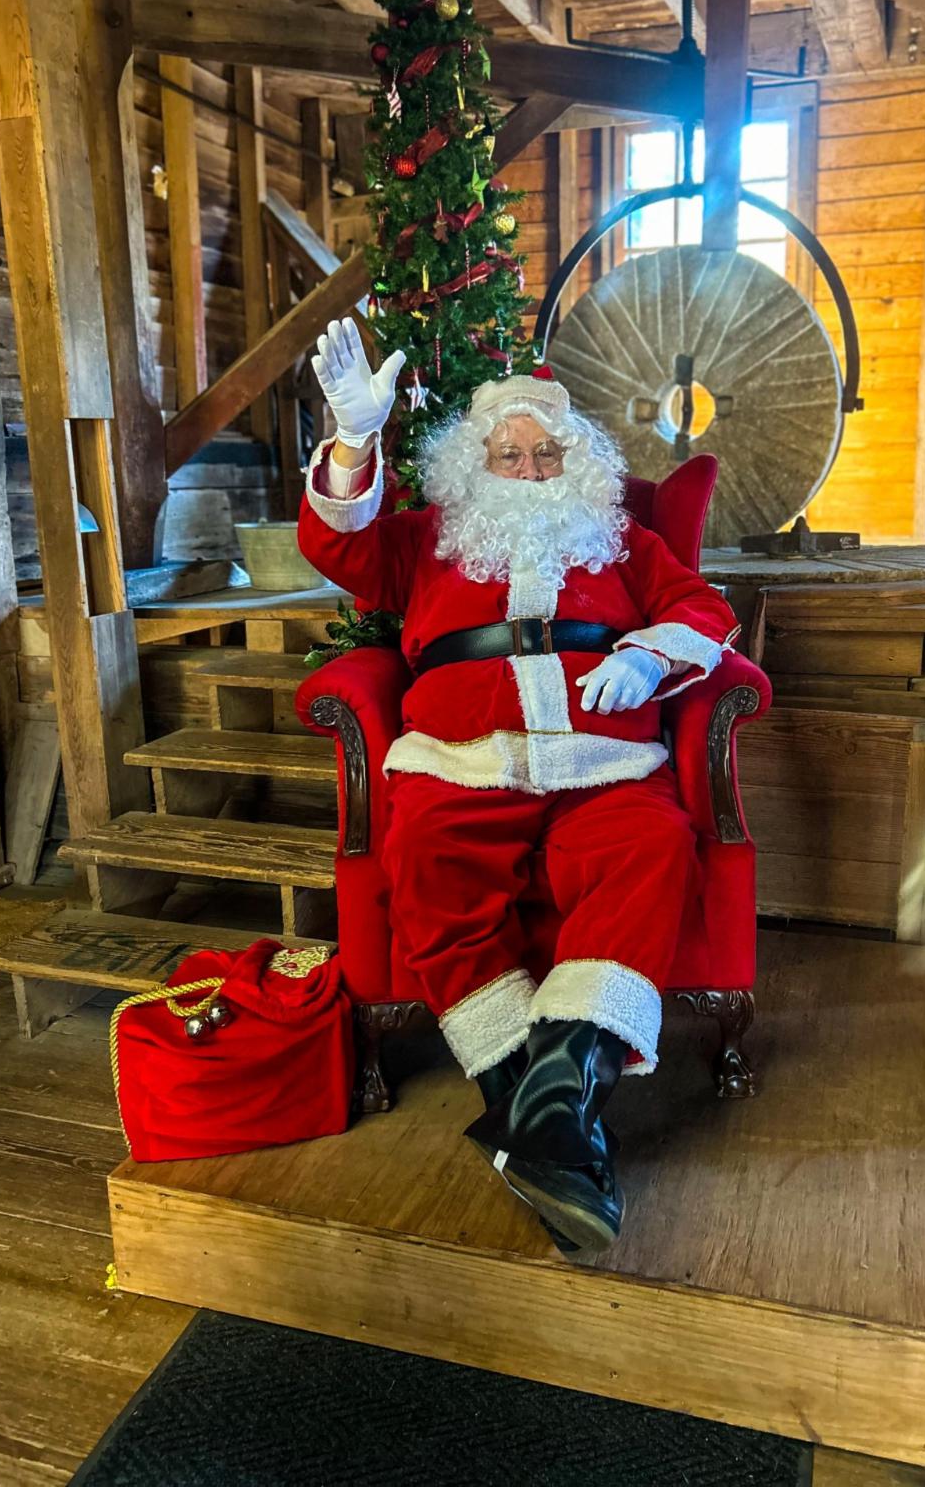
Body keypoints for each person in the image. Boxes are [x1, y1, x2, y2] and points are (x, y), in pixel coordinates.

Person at [297, 318, 738, 1252]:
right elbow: (342, 551)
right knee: (421, 851)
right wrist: (351, 442)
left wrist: (656, 657)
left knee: (652, 845)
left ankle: (545, 1113)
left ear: (576, 461)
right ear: (475, 461)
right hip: (462, 763)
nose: (531, 467)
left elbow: (702, 608)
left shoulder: (618, 542)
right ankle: (554, 1123)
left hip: (602, 762)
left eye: (547, 452)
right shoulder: (425, 538)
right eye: (510, 451)